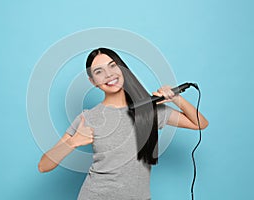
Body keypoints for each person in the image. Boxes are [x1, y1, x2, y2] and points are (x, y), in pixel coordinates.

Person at [38, 48, 209, 199]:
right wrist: (73, 142)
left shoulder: (149, 111)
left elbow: (200, 123)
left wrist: (175, 98)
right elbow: (44, 165)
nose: (109, 74)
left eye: (113, 66)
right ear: (93, 81)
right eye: (99, 71)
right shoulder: (88, 118)